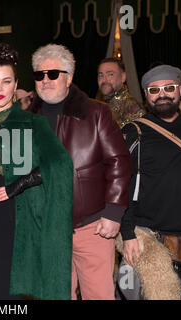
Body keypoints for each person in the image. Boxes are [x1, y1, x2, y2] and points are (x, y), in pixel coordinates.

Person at [0, 42, 74, 300]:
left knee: (1, 283)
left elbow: (60, 165)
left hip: (6, 208)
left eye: (6, 82)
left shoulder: (31, 121)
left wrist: (16, 186)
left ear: (15, 84)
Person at [28, 44, 132, 300]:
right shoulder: (28, 118)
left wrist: (113, 212)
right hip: (48, 229)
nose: (45, 80)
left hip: (92, 227)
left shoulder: (96, 112)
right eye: (40, 75)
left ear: (69, 77)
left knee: (99, 295)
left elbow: (118, 162)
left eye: (53, 74)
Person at [120, 65, 181, 300]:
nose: (162, 94)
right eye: (154, 90)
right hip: (152, 238)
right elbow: (123, 185)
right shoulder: (134, 132)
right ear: (146, 95)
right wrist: (127, 234)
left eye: (169, 88)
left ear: (180, 90)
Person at [97, 57, 145, 127]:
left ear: (123, 77)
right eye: (101, 75)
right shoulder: (98, 106)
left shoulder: (133, 108)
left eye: (110, 74)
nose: (104, 80)